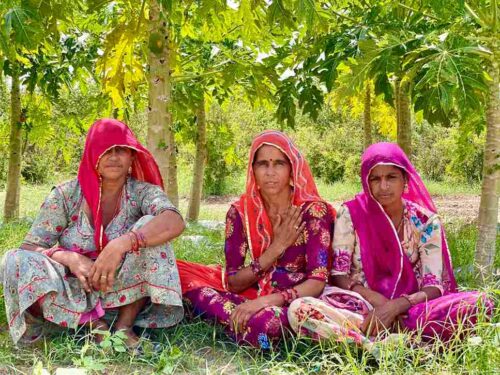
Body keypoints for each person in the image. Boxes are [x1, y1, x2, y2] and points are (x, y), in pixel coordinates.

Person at [2, 119, 185, 346]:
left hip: (121, 296)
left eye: (121, 150)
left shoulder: (142, 192)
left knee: (151, 225)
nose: (114, 157)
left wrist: (121, 244)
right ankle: (93, 326)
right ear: (91, 155)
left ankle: (123, 328)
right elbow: (29, 248)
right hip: (72, 297)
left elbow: (174, 221)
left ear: (132, 157)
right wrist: (69, 257)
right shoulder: (66, 194)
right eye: (105, 150)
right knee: (14, 259)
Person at [288, 142, 493, 345]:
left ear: (405, 179)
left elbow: (433, 286)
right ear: (366, 182)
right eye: (375, 179)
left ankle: (373, 340)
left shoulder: (425, 222)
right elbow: (339, 274)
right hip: (359, 306)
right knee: (300, 308)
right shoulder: (351, 213)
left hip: (410, 310)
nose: (383, 186)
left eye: (391, 177)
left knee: (481, 303)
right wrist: (378, 303)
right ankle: (386, 346)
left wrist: (395, 307)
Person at [177, 130, 336, 349]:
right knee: (190, 287)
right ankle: (244, 325)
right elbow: (232, 282)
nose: (270, 172)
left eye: (278, 163)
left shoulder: (313, 211)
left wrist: (266, 302)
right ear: (253, 170)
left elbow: (317, 281)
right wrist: (276, 248)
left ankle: (243, 327)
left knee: (266, 324)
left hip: (295, 302)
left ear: (292, 168)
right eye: (263, 164)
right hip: (252, 293)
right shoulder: (240, 212)